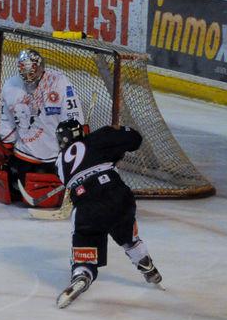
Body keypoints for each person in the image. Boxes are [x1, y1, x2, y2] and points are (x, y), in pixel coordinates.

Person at [53, 119, 162, 308]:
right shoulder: (97, 138)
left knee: (86, 235)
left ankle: (82, 273)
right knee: (125, 232)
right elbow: (135, 139)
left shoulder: (58, 164)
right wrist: (116, 144)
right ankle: (145, 264)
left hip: (86, 203)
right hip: (117, 193)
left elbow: (82, 165)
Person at [0, 49, 84, 207]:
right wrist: (5, 144)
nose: (28, 77)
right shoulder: (11, 86)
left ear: (41, 67)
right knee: (15, 189)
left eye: (32, 72)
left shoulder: (59, 82)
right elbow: (7, 122)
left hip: (55, 157)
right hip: (24, 156)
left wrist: (74, 147)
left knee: (44, 195)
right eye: (24, 72)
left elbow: (74, 117)